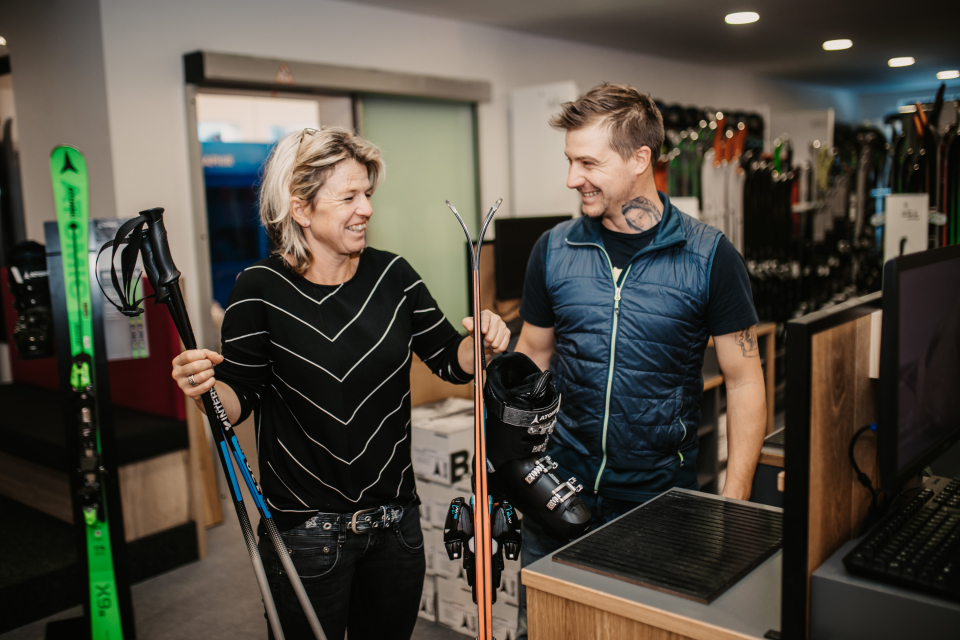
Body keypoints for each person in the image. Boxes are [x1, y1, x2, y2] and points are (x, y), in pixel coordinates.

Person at [171, 126, 509, 640]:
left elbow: (449, 359)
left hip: (396, 527)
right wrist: (203, 386)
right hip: (305, 537)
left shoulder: (394, 276)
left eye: (367, 194)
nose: (366, 209)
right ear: (301, 209)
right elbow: (236, 402)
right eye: (349, 196)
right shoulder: (259, 289)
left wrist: (481, 341)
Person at [514, 84, 766, 638]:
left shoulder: (709, 255)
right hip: (556, 494)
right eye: (570, 161)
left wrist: (735, 501)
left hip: (657, 506)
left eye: (588, 163)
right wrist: (515, 465)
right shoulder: (554, 249)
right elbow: (533, 353)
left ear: (639, 159)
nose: (572, 178)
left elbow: (746, 380)